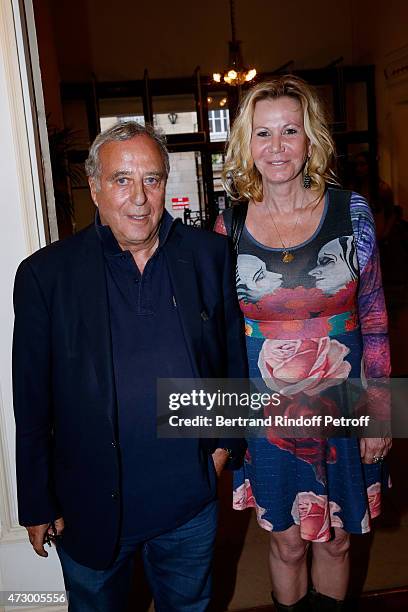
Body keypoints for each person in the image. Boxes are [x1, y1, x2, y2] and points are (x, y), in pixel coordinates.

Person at [13, 121, 248, 612]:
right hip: (89, 505)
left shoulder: (209, 255)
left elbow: (229, 356)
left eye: (152, 179)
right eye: (122, 180)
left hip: (189, 503)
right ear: (95, 186)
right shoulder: (45, 275)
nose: (139, 198)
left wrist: (224, 445)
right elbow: (31, 400)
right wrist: (36, 500)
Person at [214, 76, 392, 611]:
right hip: (265, 411)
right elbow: (220, 332)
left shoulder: (351, 212)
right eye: (263, 133)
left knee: (336, 536)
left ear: (311, 139)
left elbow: (376, 316)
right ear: (247, 143)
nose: (277, 147)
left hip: (343, 403)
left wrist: (382, 415)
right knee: (287, 540)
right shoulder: (231, 223)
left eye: (290, 131)